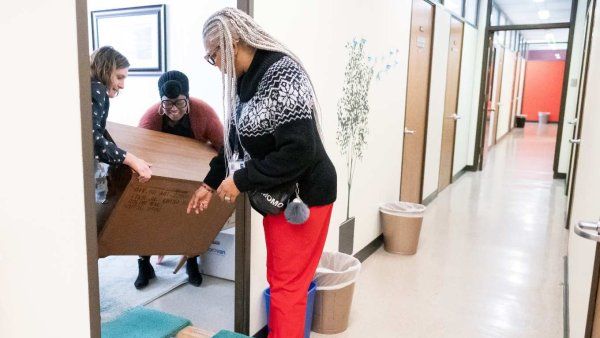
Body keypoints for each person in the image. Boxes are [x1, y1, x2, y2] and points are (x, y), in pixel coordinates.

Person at [187, 8, 337, 338]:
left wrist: (240, 180)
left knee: (287, 287)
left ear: (234, 41)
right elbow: (232, 144)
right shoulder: (243, 83)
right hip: (278, 195)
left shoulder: (281, 73)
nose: (217, 65)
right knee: (282, 281)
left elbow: (299, 150)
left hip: (306, 194)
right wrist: (209, 184)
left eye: (215, 55)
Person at [134, 70, 224, 289]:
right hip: (159, 171)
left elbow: (225, 148)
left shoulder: (203, 112)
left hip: (196, 173)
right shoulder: (151, 118)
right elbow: (140, 153)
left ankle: (192, 262)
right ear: (160, 102)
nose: (173, 109)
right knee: (146, 214)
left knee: (192, 216)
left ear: (188, 98)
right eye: (167, 104)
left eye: (180, 103)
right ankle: (144, 263)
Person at [91, 46, 152, 204]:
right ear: (105, 71)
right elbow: (92, 137)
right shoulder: (97, 90)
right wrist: (130, 159)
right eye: (119, 77)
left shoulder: (91, 87)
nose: (122, 85)